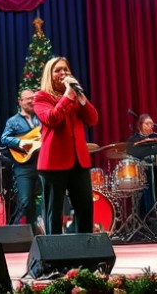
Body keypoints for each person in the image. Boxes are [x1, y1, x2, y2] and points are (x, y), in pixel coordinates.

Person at [33, 57, 99, 235]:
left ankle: (84, 253)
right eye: (58, 70)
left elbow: (92, 119)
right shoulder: (41, 97)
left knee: (85, 208)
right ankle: (55, 256)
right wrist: (68, 96)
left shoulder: (75, 98)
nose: (63, 73)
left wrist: (82, 98)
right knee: (54, 212)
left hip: (79, 161)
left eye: (66, 70)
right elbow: (52, 119)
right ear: (50, 74)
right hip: (54, 162)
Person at [1, 89, 43, 231]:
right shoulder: (13, 121)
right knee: (25, 201)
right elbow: (4, 138)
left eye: (33, 98)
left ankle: (36, 235)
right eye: (27, 99)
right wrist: (20, 143)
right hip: (23, 166)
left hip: (42, 164)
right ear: (20, 102)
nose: (31, 101)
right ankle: (11, 233)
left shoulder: (41, 119)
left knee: (43, 199)